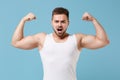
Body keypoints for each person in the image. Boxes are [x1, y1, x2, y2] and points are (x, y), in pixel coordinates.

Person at [11, 7, 109, 80]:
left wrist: (93, 20)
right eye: (56, 21)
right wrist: (23, 20)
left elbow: (103, 41)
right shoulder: (42, 39)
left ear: (68, 23)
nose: (59, 24)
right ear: (51, 22)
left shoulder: (76, 39)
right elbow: (16, 42)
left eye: (63, 21)